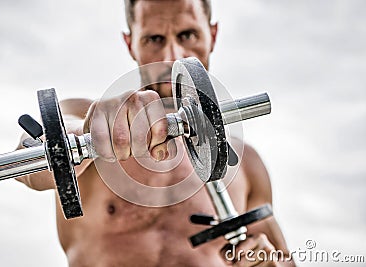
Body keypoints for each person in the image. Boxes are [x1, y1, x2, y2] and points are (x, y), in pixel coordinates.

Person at [17, 0, 295, 266]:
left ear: (212, 34)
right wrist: (90, 134)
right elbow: (28, 163)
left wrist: (268, 262)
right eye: (154, 39)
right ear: (130, 44)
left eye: (188, 35)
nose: (171, 57)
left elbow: (282, 262)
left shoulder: (247, 166)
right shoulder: (82, 117)